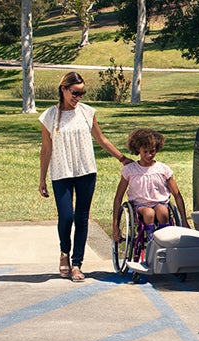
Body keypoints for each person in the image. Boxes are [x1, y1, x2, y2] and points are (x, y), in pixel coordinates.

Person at [38, 71, 132, 282]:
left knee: (81, 218)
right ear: (63, 89)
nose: (78, 97)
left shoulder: (87, 113)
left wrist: (122, 158)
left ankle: (77, 264)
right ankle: (64, 252)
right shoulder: (49, 116)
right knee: (66, 216)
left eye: (82, 93)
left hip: (86, 171)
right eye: (75, 93)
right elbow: (46, 149)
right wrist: (42, 179)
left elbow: (101, 139)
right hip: (61, 172)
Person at [112, 128, 190, 247]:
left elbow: (177, 195)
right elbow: (118, 197)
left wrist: (184, 220)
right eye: (145, 151)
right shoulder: (130, 170)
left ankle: (164, 240)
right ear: (138, 149)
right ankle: (152, 242)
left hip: (160, 203)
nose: (149, 155)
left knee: (163, 212)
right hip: (140, 205)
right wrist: (115, 225)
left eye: (152, 151)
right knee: (149, 213)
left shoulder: (163, 169)